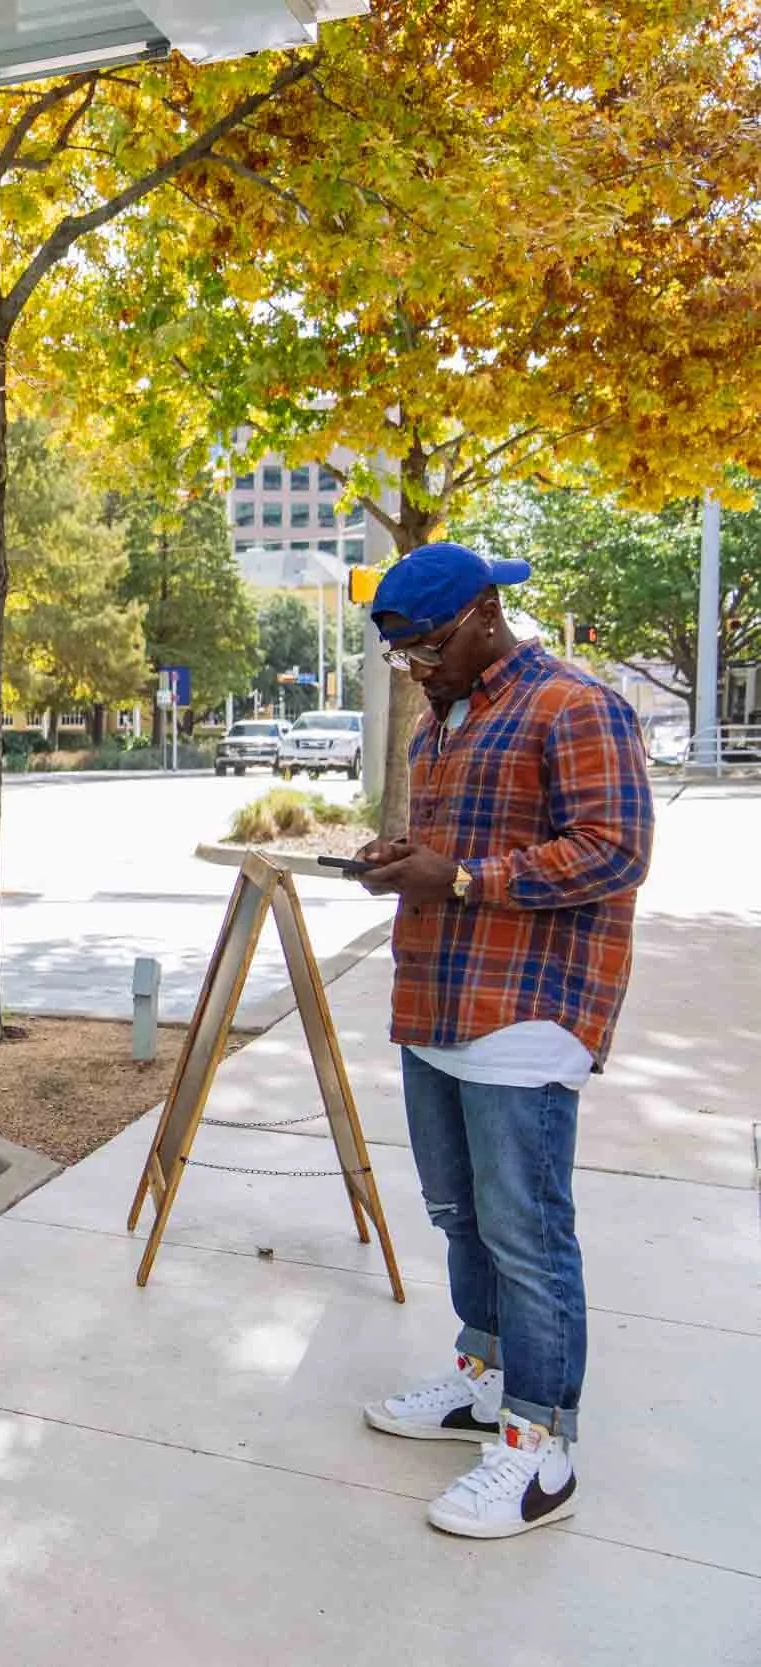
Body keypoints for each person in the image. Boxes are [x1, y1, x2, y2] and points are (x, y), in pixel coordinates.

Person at [352, 541, 653, 1540]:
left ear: (486, 612)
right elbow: (461, 845)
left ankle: (540, 1445)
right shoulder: (445, 715)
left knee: (525, 1232)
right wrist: (402, 858)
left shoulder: (575, 705)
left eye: (428, 647)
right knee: (457, 1213)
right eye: (403, 657)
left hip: (527, 1011)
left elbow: (614, 850)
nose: (418, 669)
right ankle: (482, 1379)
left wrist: (469, 878)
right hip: (438, 999)